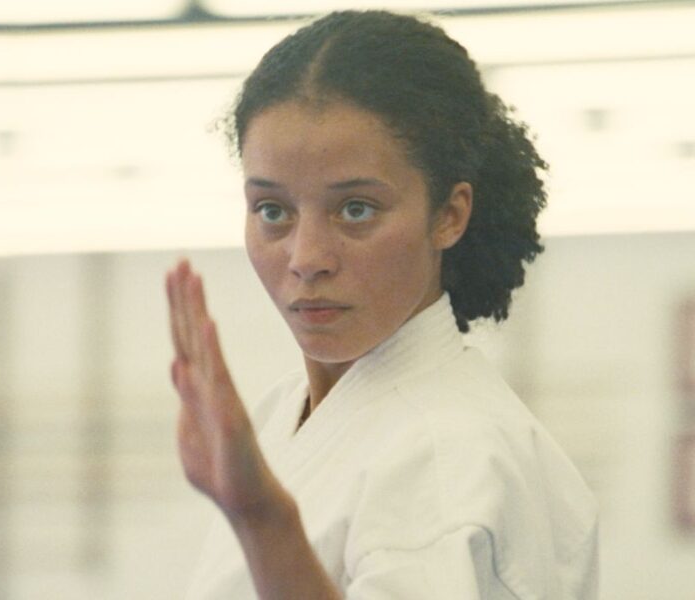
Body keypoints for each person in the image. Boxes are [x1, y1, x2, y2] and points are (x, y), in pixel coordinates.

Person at [165, 10, 598, 599]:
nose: (306, 257)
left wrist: (262, 516)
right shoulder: (282, 415)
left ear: (448, 215)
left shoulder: (448, 453)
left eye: (356, 210)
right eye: (273, 211)